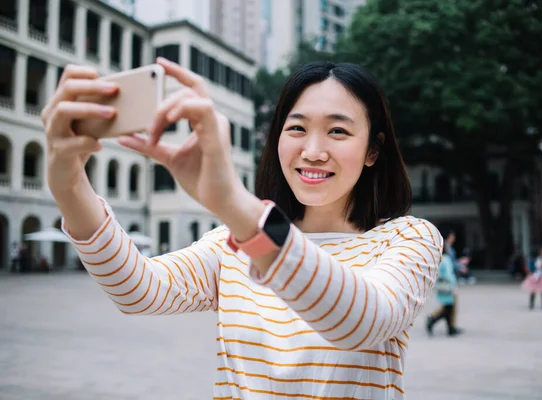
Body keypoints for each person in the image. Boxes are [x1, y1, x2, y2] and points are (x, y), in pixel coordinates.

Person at [42, 58, 442, 399]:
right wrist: (68, 183)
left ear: (373, 149)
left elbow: (361, 321)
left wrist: (232, 201)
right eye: (297, 128)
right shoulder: (229, 243)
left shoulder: (407, 239)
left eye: (338, 131)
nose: (313, 151)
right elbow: (136, 290)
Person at [426, 228, 462, 336]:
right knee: (449, 308)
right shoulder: (446, 259)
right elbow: (449, 274)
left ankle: (450, 328)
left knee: (448, 307)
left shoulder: (439, 258)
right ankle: (433, 320)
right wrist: (454, 286)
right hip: (448, 286)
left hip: (441, 285)